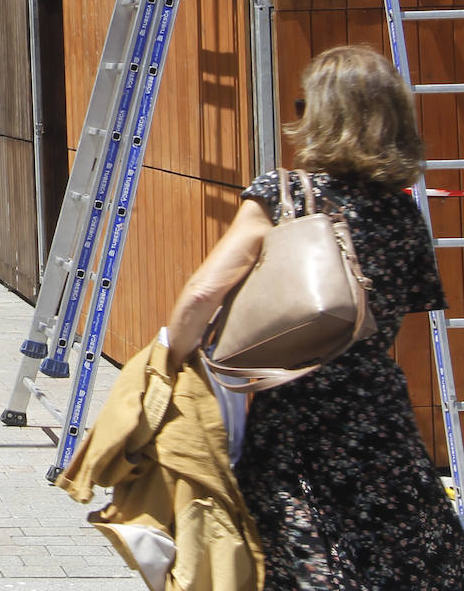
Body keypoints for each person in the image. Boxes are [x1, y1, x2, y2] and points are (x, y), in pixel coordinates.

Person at [165, 45, 464, 589]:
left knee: (301, 551)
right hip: (378, 411)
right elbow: (406, 311)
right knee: (402, 555)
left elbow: (203, 292)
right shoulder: (402, 211)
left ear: (324, 116)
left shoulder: (282, 195)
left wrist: (172, 358)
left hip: (297, 407)